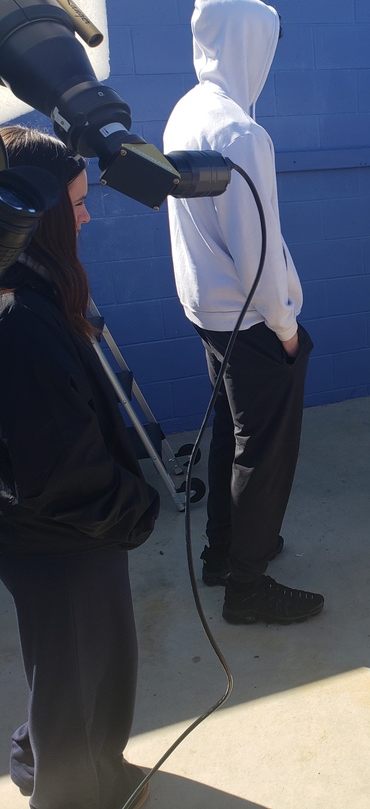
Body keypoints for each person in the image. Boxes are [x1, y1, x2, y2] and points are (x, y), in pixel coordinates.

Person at [0, 126, 159, 809]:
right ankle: (73, 792)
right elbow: (62, 473)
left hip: (54, 533)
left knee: (76, 669)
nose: (87, 217)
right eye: (76, 204)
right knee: (77, 676)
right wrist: (136, 507)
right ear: (33, 215)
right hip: (61, 539)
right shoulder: (20, 321)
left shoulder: (27, 290)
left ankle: (45, 762)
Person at [163, 0, 323, 626]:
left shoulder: (185, 111)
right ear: (248, 45)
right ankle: (248, 587)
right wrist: (286, 328)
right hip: (252, 321)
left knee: (233, 435)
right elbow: (256, 249)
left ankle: (223, 553)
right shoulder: (240, 132)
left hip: (209, 314)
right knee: (265, 453)